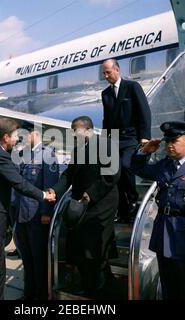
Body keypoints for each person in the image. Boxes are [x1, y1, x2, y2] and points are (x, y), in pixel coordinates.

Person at [0, 118, 55, 300]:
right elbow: (19, 183)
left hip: (31, 215)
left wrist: (46, 211)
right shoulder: (2, 154)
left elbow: (45, 181)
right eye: (16, 135)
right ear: (5, 137)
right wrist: (43, 195)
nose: (19, 138)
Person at [132, 121, 185, 300]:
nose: (169, 145)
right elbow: (137, 168)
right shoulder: (164, 166)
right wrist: (144, 151)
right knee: (169, 290)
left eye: (174, 141)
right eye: (167, 141)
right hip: (164, 236)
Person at [49, 116, 120, 298]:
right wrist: (55, 191)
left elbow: (111, 175)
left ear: (88, 129)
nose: (73, 133)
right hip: (81, 205)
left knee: (93, 246)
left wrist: (91, 193)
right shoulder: (78, 149)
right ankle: (93, 283)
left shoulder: (105, 145)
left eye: (76, 129)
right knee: (79, 247)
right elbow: (68, 174)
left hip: (101, 203)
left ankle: (97, 286)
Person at [102, 58, 151, 222]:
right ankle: (121, 208)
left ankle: (132, 200)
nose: (106, 75)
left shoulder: (132, 87)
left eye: (108, 72)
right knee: (111, 171)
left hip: (131, 136)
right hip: (114, 138)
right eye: (104, 73)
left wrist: (145, 136)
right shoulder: (105, 94)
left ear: (117, 70)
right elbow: (106, 120)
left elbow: (144, 111)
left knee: (125, 165)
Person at [14, 128, 59, 300]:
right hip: (21, 214)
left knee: (39, 259)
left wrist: (46, 213)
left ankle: (41, 296)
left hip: (37, 216)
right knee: (26, 257)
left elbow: (50, 186)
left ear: (36, 133)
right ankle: (28, 294)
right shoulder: (24, 154)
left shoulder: (48, 155)